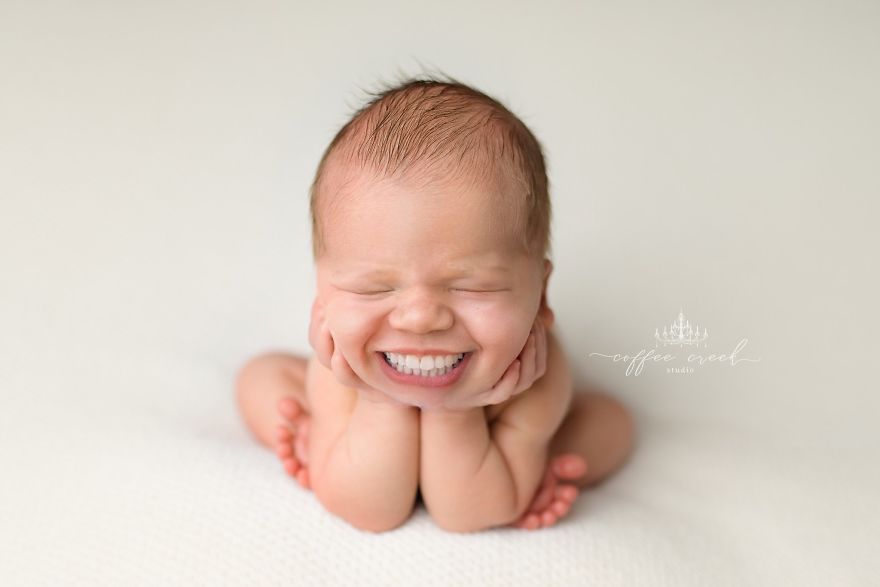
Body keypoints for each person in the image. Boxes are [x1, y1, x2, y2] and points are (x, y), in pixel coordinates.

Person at [236, 75, 635, 533]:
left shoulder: (533, 379)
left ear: (540, 296)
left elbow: (469, 515)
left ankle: (536, 462)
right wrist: (376, 401)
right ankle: (320, 434)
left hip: (491, 448)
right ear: (322, 295)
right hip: (362, 402)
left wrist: (456, 410)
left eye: (471, 287)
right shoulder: (340, 368)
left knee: (610, 424)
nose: (421, 317)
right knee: (260, 378)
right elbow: (371, 510)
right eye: (373, 288)